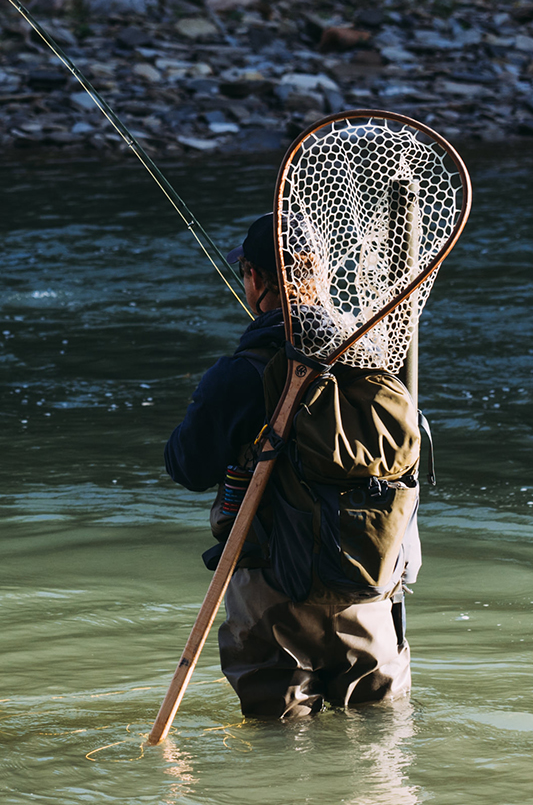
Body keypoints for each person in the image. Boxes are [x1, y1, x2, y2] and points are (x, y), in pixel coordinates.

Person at [163, 213, 413, 720]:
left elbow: (186, 467)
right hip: (369, 590)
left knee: (278, 745)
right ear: (318, 273)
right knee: (381, 745)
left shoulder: (240, 374)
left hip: (271, 599)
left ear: (254, 278)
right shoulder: (376, 363)